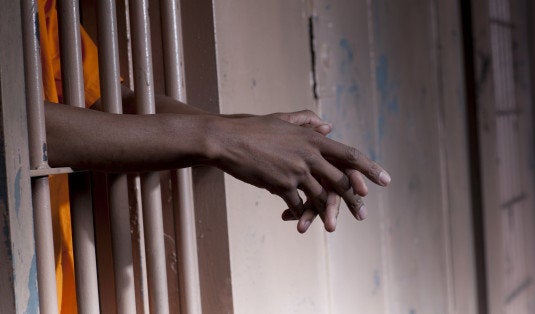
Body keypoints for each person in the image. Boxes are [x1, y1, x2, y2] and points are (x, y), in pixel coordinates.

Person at [38, 0, 390, 312]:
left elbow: (109, 103)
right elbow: (17, 127)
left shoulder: (41, 9)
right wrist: (221, 139)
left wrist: (256, 135)